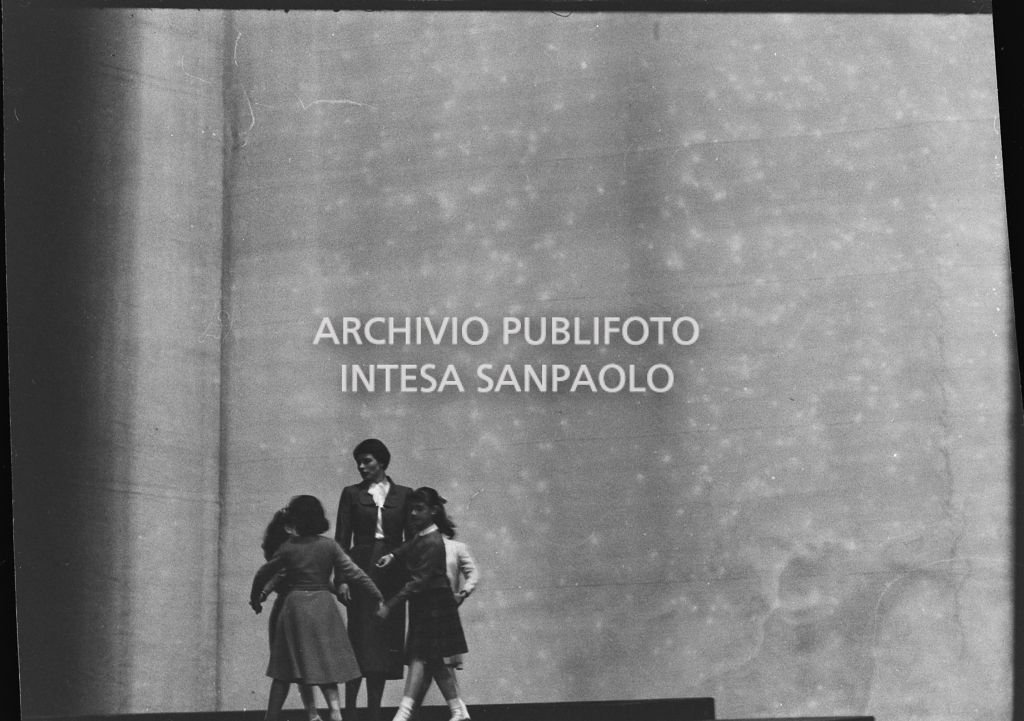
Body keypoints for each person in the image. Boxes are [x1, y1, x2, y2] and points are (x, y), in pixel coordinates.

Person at [251, 495, 385, 721]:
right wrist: (377, 595)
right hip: (323, 608)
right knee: (325, 665)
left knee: (283, 672)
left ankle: (271, 718)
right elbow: (356, 573)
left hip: (294, 609)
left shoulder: (288, 547)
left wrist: (256, 596)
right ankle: (335, 714)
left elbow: (263, 573)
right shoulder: (329, 546)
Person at [375, 488, 470, 721]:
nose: (413, 513)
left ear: (433, 511)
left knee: (421, 656)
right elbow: (410, 546)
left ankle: (404, 714)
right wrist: (393, 556)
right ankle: (458, 711)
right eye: (411, 509)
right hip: (426, 604)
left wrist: (390, 605)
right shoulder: (423, 535)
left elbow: (418, 582)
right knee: (433, 659)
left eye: (419, 509)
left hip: (434, 605)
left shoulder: (434, 542)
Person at [335, 439, 413, 721]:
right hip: (360, 571)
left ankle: (374, 713)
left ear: (381, 461)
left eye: (367, 461)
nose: (361, 466)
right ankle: (350, 711)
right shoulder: (351, 494)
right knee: (359, 639)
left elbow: (413, 539)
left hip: (392, 576)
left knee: (383, 642)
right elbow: (341, 539)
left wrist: (399, 560)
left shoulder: (405, 495)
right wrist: (341, 579)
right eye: (359, 461)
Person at [412, 526, 479, 718]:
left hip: (445, 613)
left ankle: (459, 712)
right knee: (429, 667)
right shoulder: (418, 549)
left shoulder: (456, 548)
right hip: (425, 613)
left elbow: (473, 573)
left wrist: (463, 593)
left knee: (437, 666)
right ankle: (458, 712)